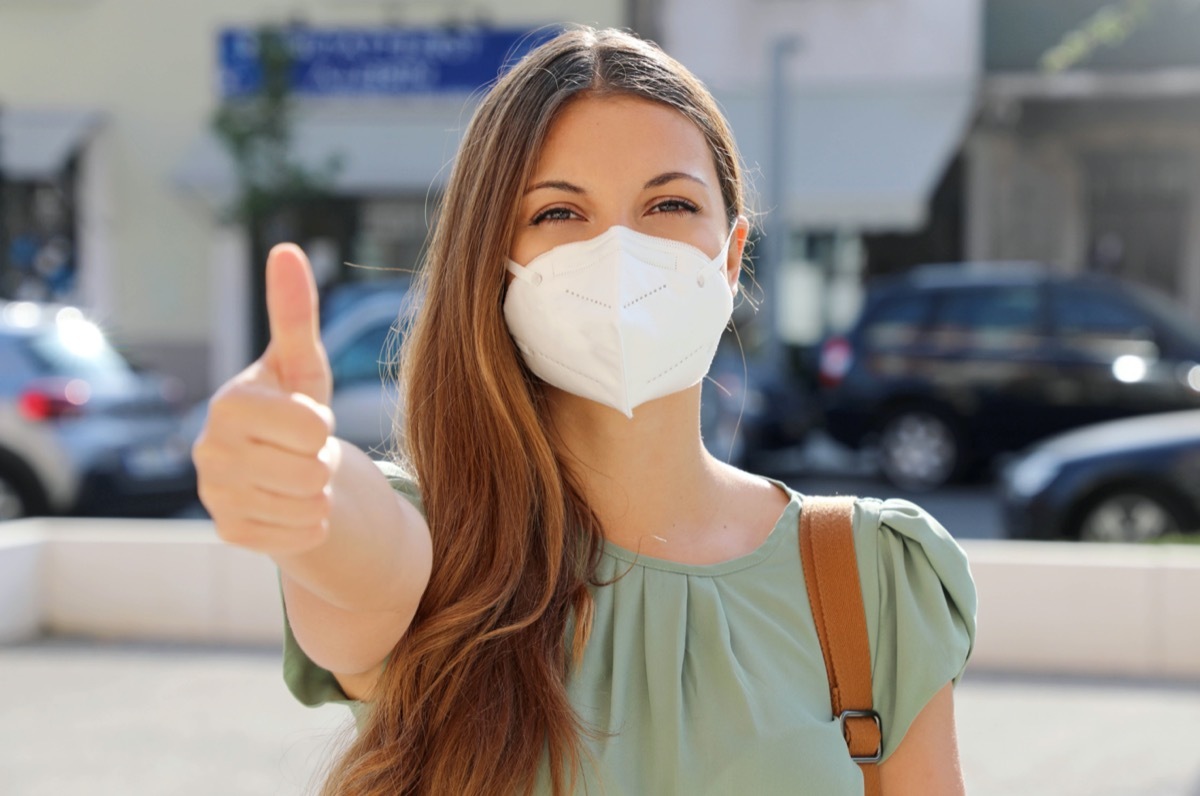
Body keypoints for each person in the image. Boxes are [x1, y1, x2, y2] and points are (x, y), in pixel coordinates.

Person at [192, 26, 976, 796]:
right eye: (559, 215)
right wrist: (314, 481)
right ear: (493, 264)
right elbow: (361, 561)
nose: (621, 253)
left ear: (731, 258)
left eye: (668, 204)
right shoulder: (439, 550)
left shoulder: (868, 572)